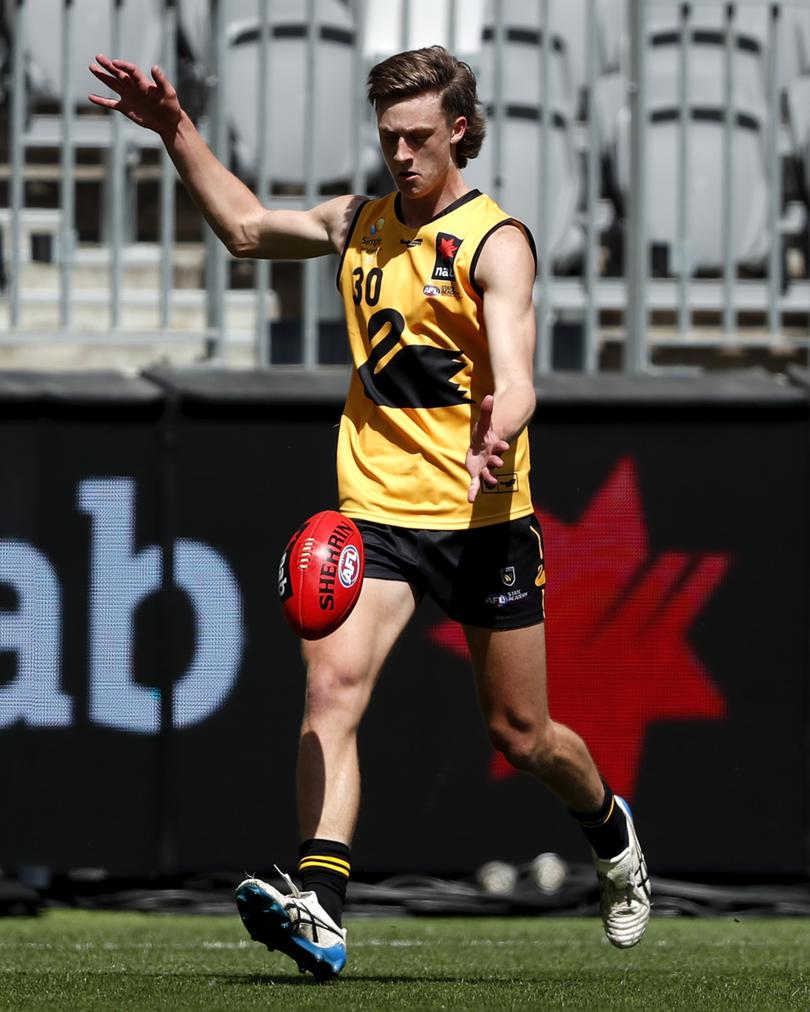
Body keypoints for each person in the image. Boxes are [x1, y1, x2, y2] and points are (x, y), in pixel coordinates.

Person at [89, 44, 650, 981]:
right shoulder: (359, 224)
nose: (400, 153)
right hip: (376, 514)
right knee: (330, 690)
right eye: (388, 136)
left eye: (418, 136)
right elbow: (242, 228)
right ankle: (324, 904)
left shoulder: (495, 241)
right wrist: (175, 131)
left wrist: (499, 430)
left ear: (459, 130)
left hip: (481, 518)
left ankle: (611, 830)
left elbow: (516, 379)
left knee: (523, 736)